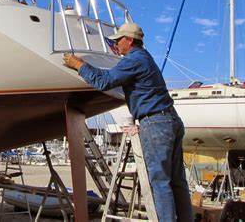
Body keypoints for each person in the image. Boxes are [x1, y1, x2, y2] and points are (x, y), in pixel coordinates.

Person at [62, 22, 193, 221]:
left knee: (159, 181)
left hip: (156, 123)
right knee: (177, 181)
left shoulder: (134, 60)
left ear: (129, 40)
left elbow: (105, 81)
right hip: (171, 119)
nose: (116, 45)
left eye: (118, 40)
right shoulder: (145, 57)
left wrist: (79, 65)